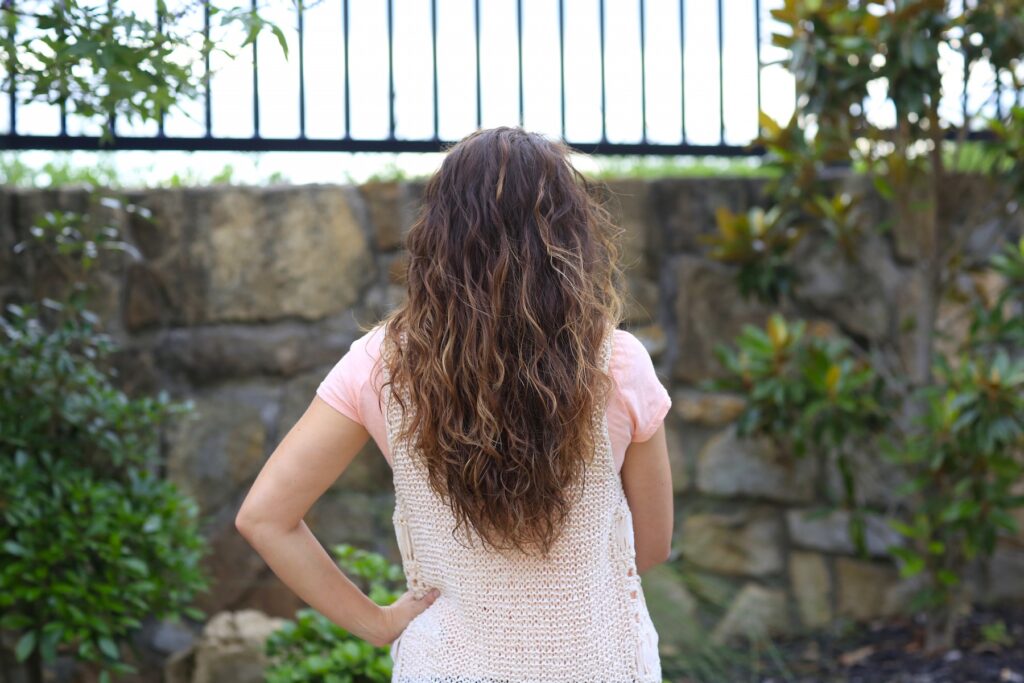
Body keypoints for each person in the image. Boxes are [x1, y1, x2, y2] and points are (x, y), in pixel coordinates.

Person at [236, 126, 674, 682]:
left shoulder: (378, 364)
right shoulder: (617, 362)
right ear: (570, 234)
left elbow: (265, 518)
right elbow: (652, 545)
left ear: (438, 233)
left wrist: (376, 623)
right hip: (598, 664)